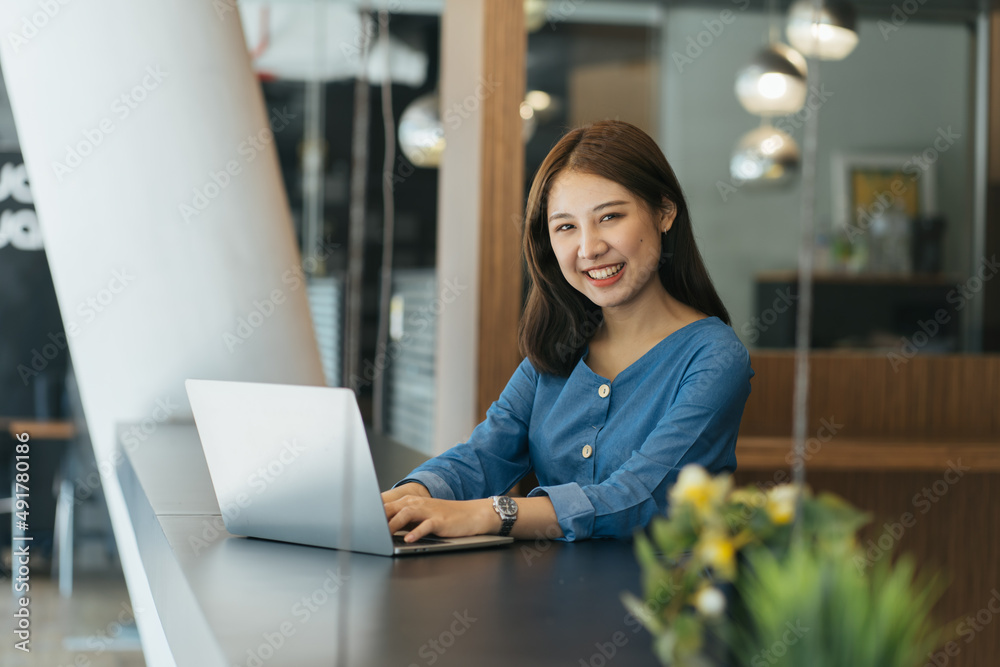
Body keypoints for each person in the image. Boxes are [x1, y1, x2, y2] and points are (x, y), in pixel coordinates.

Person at [382, 120, 754, 543]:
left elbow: (639, 496)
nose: (589, 248)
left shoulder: (714, 357)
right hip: (553, 595)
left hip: (664, 601)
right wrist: (410, 497)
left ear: (664, 212)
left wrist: (492, 513)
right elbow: (485, 455)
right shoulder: (558, 347)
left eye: (609, 217)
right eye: (566, 227)